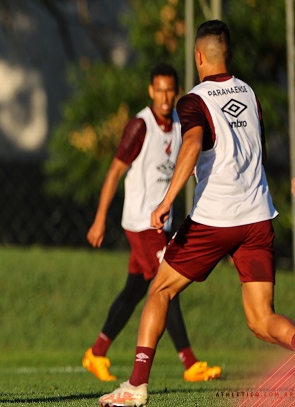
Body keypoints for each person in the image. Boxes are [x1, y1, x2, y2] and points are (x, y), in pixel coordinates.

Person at [99, 20, 295, 407]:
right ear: (230, 55)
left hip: (216, 218)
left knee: (160, 288)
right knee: (261, 320)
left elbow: (191, 143)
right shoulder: (250, 93)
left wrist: (167, 199)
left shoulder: (193, 100)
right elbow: (261, 149)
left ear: (198, 56)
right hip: (257, 218)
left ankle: (136, 387)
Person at [84, 63, 221, 383]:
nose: (164, 96)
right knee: (166, 285)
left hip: (161, 222)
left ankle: (96, 353)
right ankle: (190, 363)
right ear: (150, 91)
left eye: (170, 90)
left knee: (135, 290)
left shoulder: (179, 123)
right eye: (158, 90)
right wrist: (100, 218)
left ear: (176, 91)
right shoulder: (139, 126)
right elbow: (115, 171)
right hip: (139, 222)